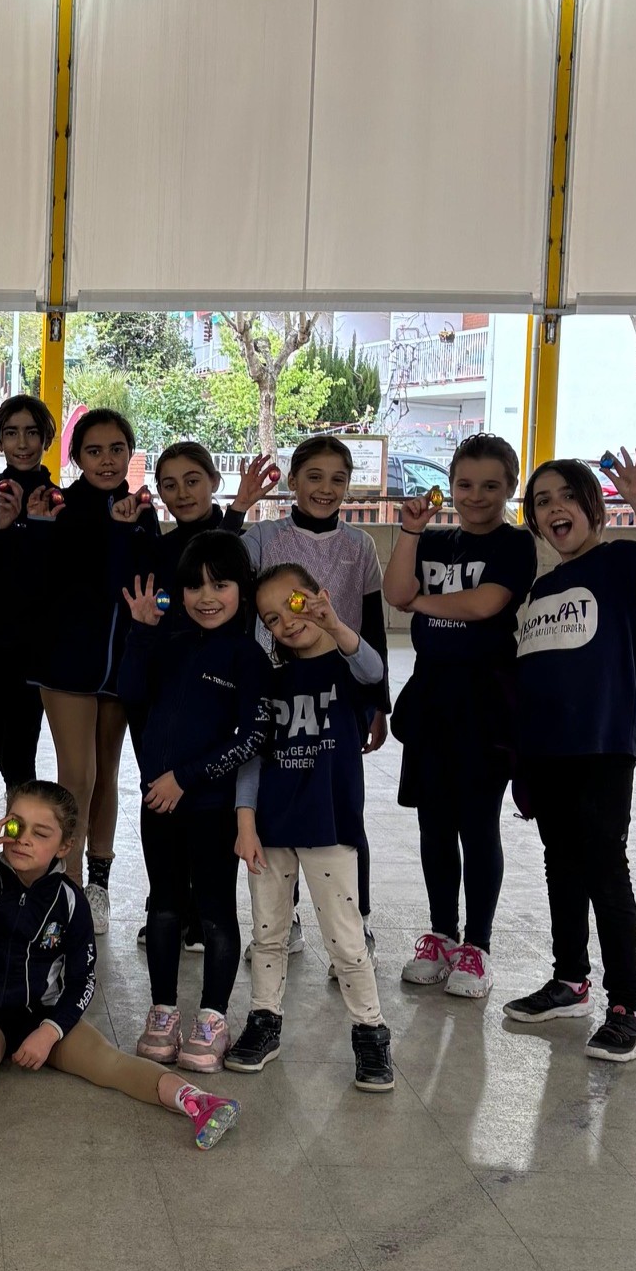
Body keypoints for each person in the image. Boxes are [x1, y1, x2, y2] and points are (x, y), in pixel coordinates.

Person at [0, 781, 239, 1150]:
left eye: (40, 833)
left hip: (45, 1015)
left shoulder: (71, 901)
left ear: (64, 846)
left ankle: (199, 1102)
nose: (23, 839)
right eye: (15, 825)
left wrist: (50, 1032)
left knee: (109, 1062)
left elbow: (83, 980)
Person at [501, 451, 636, 1062]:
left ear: (593, 508)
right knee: (561, 864)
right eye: (541, 502)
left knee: (606, 868)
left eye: (566, 496)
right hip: (546, 753)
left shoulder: (622, 563)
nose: (554, 508)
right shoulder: (540, 591)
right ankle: (570, 980)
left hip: (604, 746)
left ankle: (626, 1004)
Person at [227, 565, 394, 1091]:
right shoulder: (271, 680)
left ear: (318, 596)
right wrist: (246, 822)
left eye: (294, 605)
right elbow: (251, 757)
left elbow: (373, 670)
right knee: (267, 933)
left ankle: (370, 1032)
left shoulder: (347, 668)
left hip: (330, 826)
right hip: (272, 829)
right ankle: (264, 1021)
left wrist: (336, 624)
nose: (286, 622)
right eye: (271, 619)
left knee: (346, 940)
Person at [383, 433, 538, 1000]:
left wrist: (417, 603)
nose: (476, 496)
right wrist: (409, 532)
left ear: (510, 487)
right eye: (465, 484)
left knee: (477, 824)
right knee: (433, 824)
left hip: (487, 701)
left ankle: (478, 945)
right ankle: (442, 935)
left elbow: (484, 604)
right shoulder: (431, 540)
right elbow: (394, 590)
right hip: (432, 698)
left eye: (491, 486)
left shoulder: (515, 544)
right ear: (449, 485)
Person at [118, 531, 271, 1070]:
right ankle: (163, 1012)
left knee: (214, 912)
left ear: (242, 590)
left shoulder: (248, 656)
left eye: (220, 585)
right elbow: (131, 694)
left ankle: (212, 1019)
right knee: (162, 907)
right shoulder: (170, 643)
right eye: (194, 586)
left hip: (210, 807)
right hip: (158, 805)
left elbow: (254, 736)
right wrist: (141, 632)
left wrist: (185, 777)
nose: (206, 597)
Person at [237, 434, 391, 955]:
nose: (326, 488)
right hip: (279, 688)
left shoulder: (360, 546)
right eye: (315, 477)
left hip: (340, 688)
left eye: (338, 479)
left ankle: (355, 919)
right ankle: (287, 916)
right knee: (280, 802)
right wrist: (238, 507)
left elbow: (373, 626)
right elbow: (223, 565)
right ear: (293, 481)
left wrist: (379, 705)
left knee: (341, 806)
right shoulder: (264, 536)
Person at [126, 439, 277, 947]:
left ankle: (212, 908)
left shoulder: (240, 540)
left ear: (214, 480)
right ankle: (169, 904)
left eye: (192, 480)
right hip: (166, 690)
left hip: (218, 699)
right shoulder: (162, 547)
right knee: (163, 805)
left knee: (210, 808)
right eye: (169, 485)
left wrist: (237, 511)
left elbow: (221, 560)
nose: (182, 492)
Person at [26, 408, 158, 933]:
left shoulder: (142, 511)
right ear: (77, 457)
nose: (107, 460)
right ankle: (69, 884)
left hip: (121, 663)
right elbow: (51, 584)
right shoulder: (59, 505)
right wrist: (39, 527)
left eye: (116, 449)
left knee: (107, 773)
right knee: (77, 775)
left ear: (130, 453)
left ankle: (98, 884)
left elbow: (138, 585)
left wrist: (127, 531)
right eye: (94, 451)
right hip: (68, 662)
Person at [0, 394, 54, 787]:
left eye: (32, 433)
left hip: (35, 643)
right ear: (0, 440)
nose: (22, 443)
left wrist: (36, 526)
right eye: (12, 433)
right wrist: (0, 528)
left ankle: (24, 819)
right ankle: (21, 813)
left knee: (21, 751)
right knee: (3, 751)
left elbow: (54, 576)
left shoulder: (55, 499)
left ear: (46, 439)